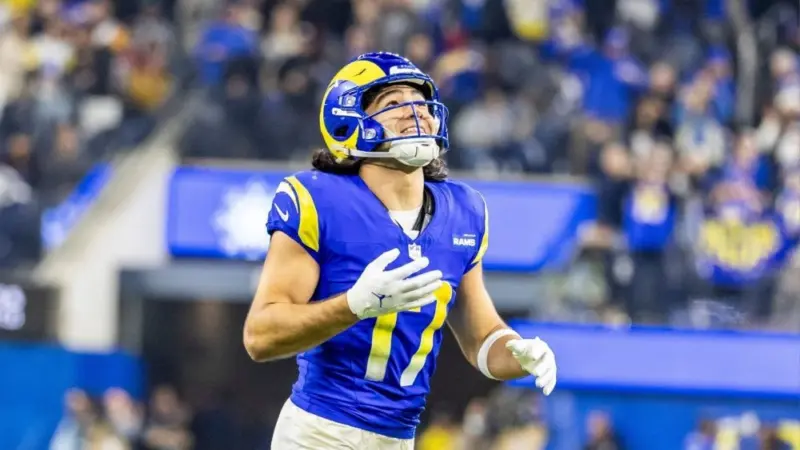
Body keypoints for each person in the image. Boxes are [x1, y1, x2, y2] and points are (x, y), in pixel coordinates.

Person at [243, 52, 558, 450]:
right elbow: (260, 336)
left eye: (422, 102)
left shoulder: (463, 211)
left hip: (399, 439)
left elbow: (481, 338)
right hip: (319, 431)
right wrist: (354, 305)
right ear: (348, 122)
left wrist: (517, 352)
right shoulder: (318, 199)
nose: (417, 112)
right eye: (393, 103)